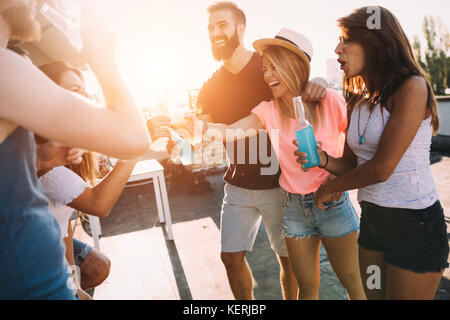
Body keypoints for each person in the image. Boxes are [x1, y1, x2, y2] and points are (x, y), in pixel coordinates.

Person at [187, 28, 367, 300]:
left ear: (294, 66)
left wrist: (337, 179)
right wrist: (199, 127)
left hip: (332, 204)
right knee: (307, 288)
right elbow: (232, 129)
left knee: (354, 282)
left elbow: (357, 152)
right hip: (293, 208)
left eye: (274, 67)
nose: (267, 75)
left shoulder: (330, 101)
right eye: (265, 69)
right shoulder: (267, 110)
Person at [0, 0, 150, 299]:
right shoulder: (5, 68)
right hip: (28, 281)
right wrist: (103, 59)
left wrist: (39, 161)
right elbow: (134, 137)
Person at [307, 6, 449, 300]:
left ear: (375, 42)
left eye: (346, 40)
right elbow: (351, 163)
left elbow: (381, 169)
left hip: (415, 226)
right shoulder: (357, 98)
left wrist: (329, 189)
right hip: (373, 222)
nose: (337, 49)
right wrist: (323, 159)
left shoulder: (412, 87)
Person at [37, 61, 143, 299]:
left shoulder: (63, 148)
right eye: (75, 89)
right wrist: (132, 154)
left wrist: (75, 287)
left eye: (84, 89)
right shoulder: (45, 164)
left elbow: (61, 225)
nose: (85, 95)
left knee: (98, 267)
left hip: (48, 239)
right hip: (24, 255)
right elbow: (98, 204)